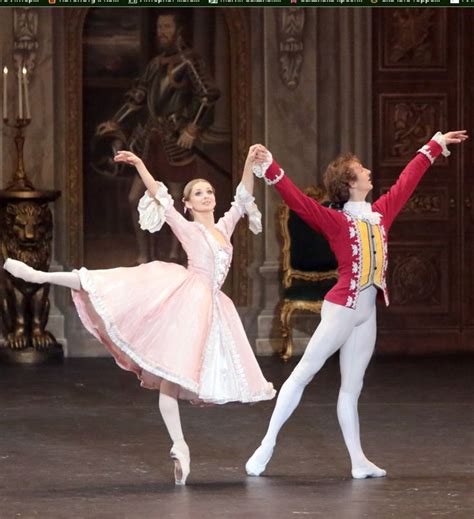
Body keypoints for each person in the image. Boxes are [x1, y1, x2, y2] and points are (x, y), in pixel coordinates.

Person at [3, 144, 275, 486]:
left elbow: (242, 198)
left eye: (209, 191)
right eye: (198, 193)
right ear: (188, 204)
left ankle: (180, 448)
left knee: (173, 378)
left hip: (212, 306)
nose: (206, 196)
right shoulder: (187, 226)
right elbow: (159, 194)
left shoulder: (225, 226)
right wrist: (141, 164)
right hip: (186, 297)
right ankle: (40, 276)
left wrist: (250, 162)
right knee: (109, 283)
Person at [245, 130, 468, 479]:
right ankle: (267, 444)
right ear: (349, 181)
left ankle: (358, 461)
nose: (367, 171)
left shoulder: (379, 214)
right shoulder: (336, 222)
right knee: (304, 373)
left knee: (352, 388)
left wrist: (433, 147)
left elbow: (406, 183)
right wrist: (271, 166)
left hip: (366, 315)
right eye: (360, 168)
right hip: (342, 310)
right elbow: (298, 202)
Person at [93, 11, 221, 263]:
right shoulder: (155, 64)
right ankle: (144, 255)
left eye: (166, 27)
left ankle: (175, 254)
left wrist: (192, 129)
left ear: (179, 30)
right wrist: (115, 121)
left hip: (175, 140)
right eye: (159, 27)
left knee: (176, 199)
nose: (161, 32)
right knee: (134, 198)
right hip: (150, 138)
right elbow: (138, 97)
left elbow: (208, 95)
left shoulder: (188, 61)